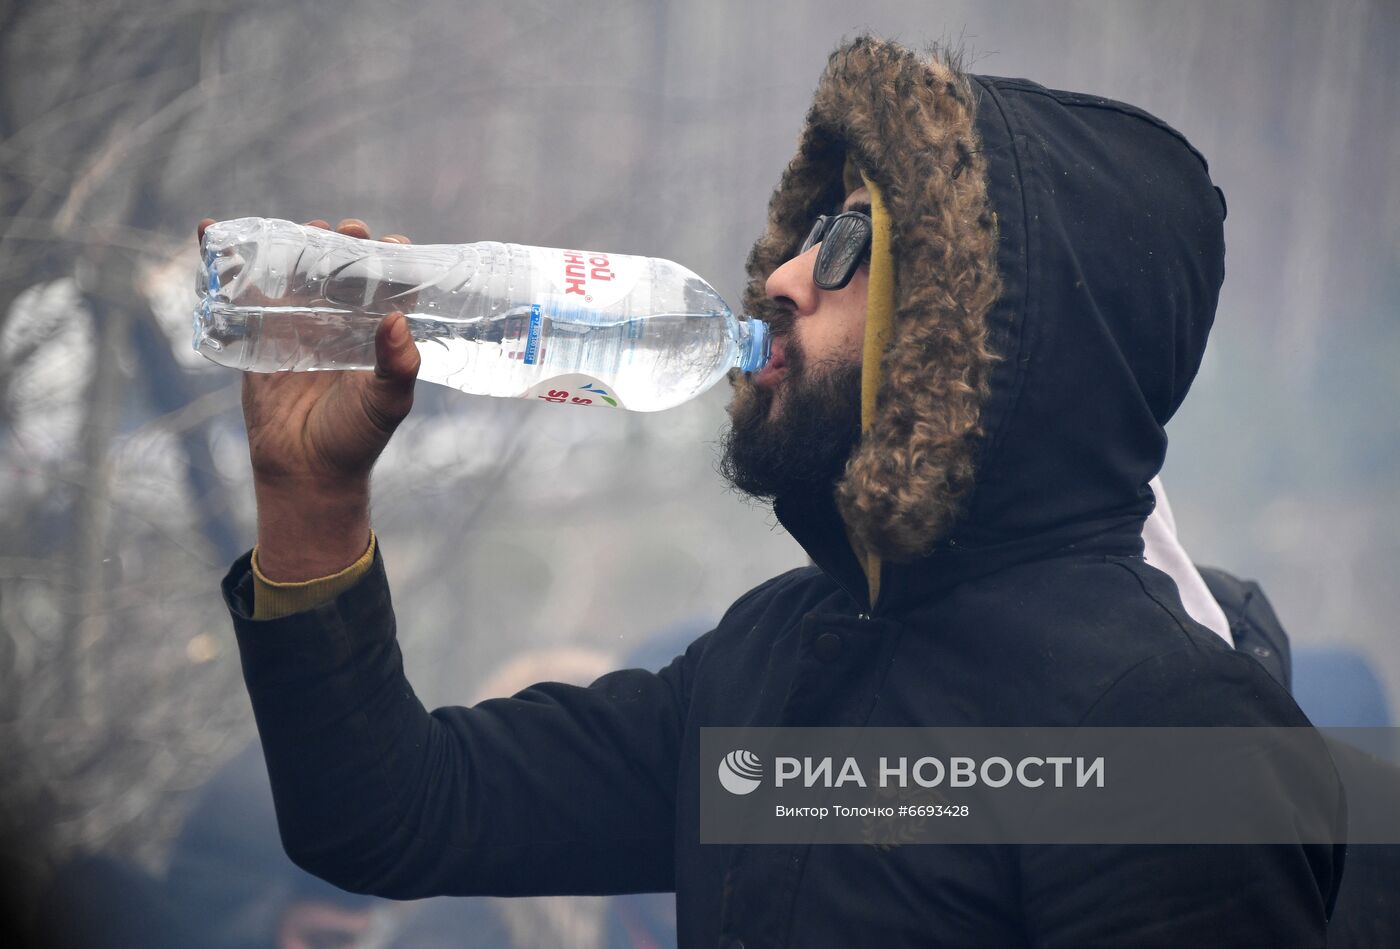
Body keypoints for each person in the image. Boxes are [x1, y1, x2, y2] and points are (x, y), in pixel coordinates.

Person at [213, 36, 1345, 946]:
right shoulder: (768, 664)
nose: (789, 274)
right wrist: (312, 502)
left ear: (980, 331)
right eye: (812, 227)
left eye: (854, 240)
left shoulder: (1165, 728)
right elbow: (394, 816)